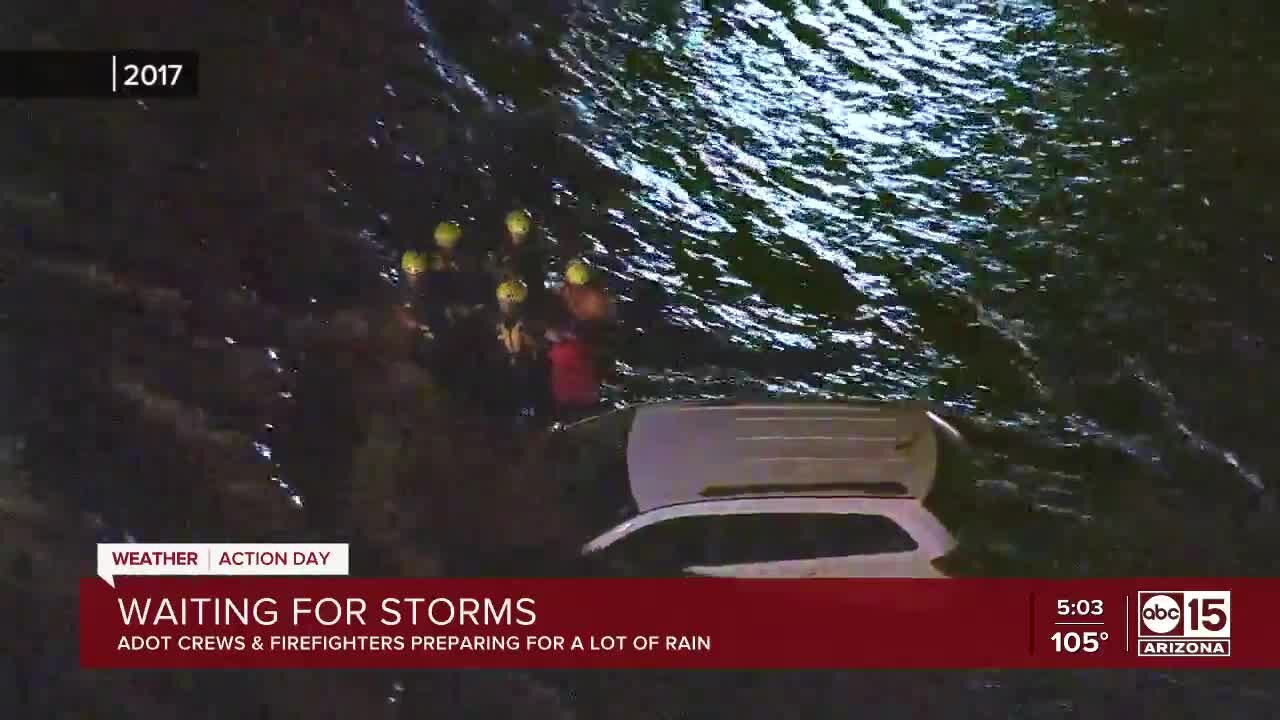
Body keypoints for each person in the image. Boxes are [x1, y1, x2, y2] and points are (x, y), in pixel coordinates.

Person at [492, 278, 547, 418]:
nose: (503, 306)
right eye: (502, 303)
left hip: (529, 368)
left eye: (505, 303)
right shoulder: (500, 323)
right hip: (510, 368)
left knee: (527, 397)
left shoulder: (529, 323)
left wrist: (528, 338)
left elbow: (541, 346)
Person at [543, 306, 600, 420]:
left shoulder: (569, 347)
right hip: (577, 397)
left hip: (575, 398)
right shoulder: (573, 344)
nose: (547, 334)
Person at [487, 209, 547, 307]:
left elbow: (536, 278)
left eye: (522, 235)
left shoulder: (533, 251)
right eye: (517, 234)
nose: (519, 238)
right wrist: (504, 271)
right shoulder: (499, 247)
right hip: (502, 290)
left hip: (523, 293)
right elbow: (490, 267)